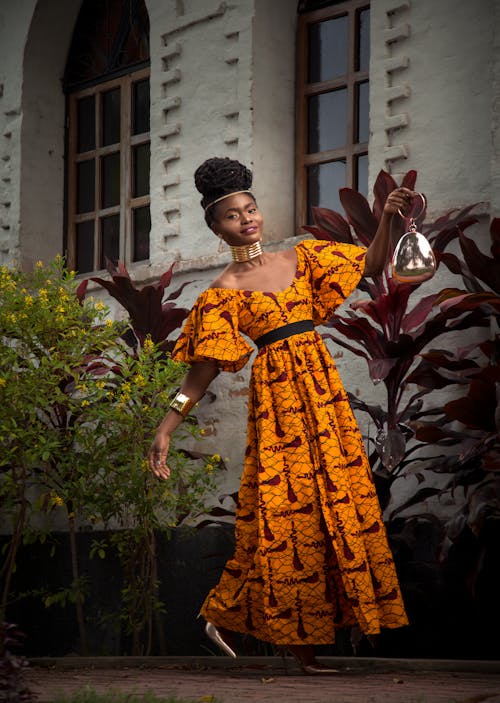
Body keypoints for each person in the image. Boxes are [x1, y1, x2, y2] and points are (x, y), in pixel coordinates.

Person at [149, 157, 410, 674]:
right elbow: (197, 377)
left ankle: (225, 616)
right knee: (288, 515)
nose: (246, 219)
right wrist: (166, 427)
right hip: (279, 406)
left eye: (251, 209)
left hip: (324, 396)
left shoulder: (304, 257)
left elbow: (373, 266)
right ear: (216, 228)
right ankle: (300, 649)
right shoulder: (220, 293)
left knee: (340, 500)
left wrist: (387, 220)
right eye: (231, 215)